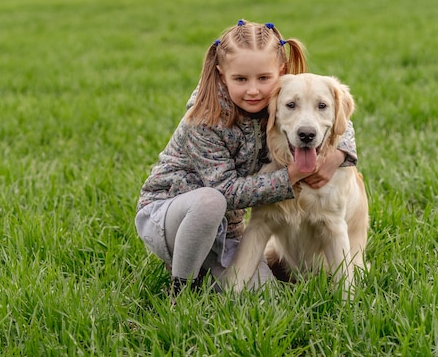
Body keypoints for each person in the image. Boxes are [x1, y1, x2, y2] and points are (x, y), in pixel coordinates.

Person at [135, 19, 358, 298]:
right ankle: (181, 286)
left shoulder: (279, 100)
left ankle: (209, 271)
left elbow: (330, 115)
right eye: (241, 79)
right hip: (170, 217)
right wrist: (291, 176)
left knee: (265, 298)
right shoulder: (204, 120)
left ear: (280, 73)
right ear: (222, 75)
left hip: (228, 231)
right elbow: (226, 192)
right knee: (209, 201)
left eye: (263, 79)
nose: (253, 89)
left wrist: (339, 154)